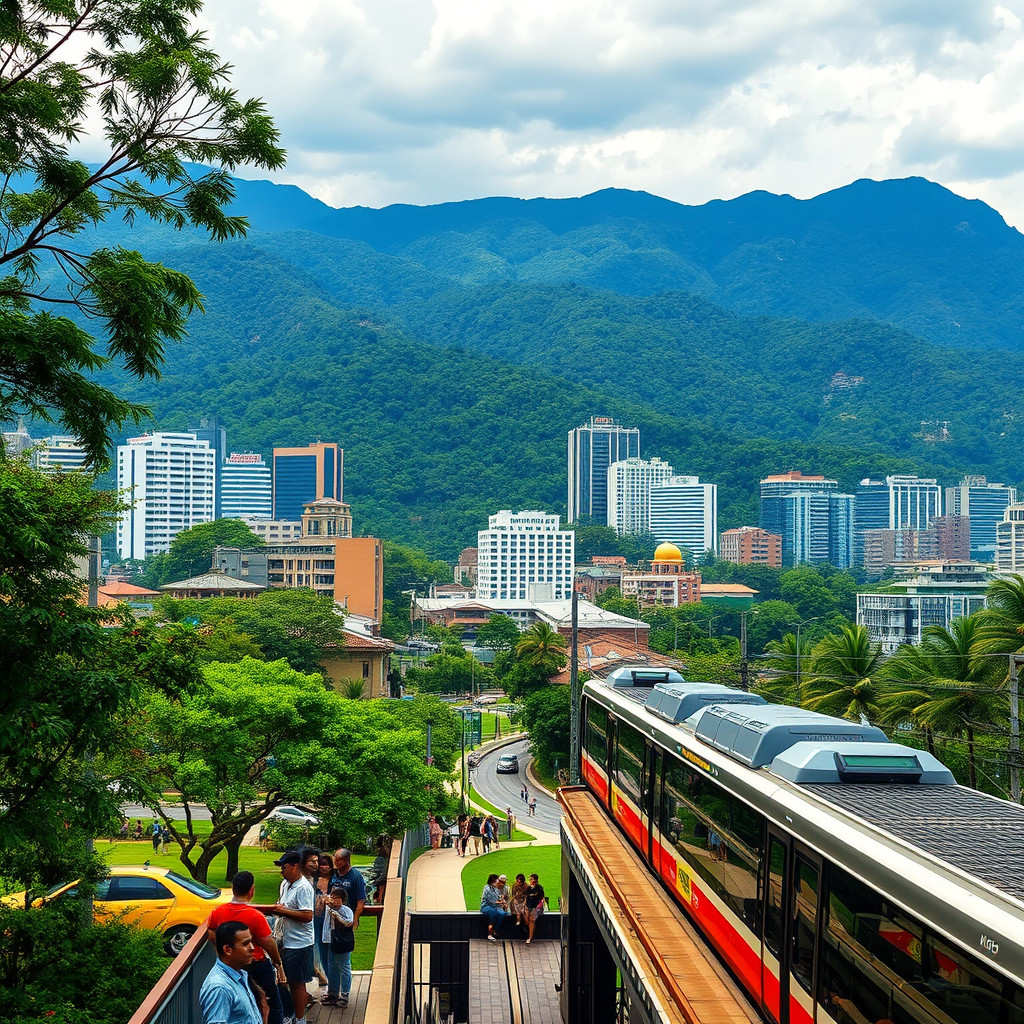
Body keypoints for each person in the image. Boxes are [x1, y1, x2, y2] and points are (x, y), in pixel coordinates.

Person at [208, 871, 286, 1024]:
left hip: (232, 963)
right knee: (273, 1004)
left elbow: (210, 931)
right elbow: (267, 942)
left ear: (232, 888)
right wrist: (277, 962)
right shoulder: (255, 916)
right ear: (251, 890)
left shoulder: (218, 912)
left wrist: (221, 949)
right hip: (256, 964)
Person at [272, 851, 315, 1024]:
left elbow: (307, 915)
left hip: (300, 944)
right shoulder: (285, 884)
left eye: (284, 867)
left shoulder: (303, 887)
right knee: (284, 980)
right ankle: (290, 1014)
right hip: (285, 941)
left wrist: (282, 911)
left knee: (297, 984)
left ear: (295, 866)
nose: (281, 871)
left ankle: (300, 1018)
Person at [199, 920, 262, 1024]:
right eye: (245, 944)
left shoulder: (239, 974)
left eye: (251, 942)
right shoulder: (219, 987)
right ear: (227, 949)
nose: (252, 948)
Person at [327, 848, 366, 1008]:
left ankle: (345, 995)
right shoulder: (334, 876)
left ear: (346, 860)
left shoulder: (355, 877)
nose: (335, 863)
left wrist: (354, 921)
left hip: (346, 925)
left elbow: (360, 901)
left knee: (344, 963)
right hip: (332, 925)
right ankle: (333, 993)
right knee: (332, 962)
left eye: (338, 860)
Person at [300, 849, 329, 989]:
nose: (316, 864)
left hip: (314, 919)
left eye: (317, 861)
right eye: (312, 861)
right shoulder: (300, 880)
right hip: (302, 922)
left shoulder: (314, 879)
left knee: (316, 946)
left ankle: (318, 971)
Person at [322, 885, 354, 1007]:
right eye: (333, 897)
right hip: (331, 941)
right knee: (332, 967)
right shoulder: (326, 908)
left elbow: (349, 922)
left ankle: (344, 995)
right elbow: (319, 903)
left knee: (344, 967)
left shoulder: (346, 910)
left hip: (343, 942)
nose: (334, 901)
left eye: (337, 898)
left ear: (343, 899)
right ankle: (333, 994)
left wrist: (337, 916)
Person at [480, 873, 509, 943]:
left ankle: (495, 930)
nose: (498, 882)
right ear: (493, 882)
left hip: (496, 906)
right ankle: (490, 931)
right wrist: (501, 902)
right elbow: (491, 901)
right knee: (493, 912)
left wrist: (502, 901)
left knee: (502, 913)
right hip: (486, 906)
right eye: (497, 881)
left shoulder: (496, 889)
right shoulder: (487, 889)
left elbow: (499, 897)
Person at [524, 873, 545, 945]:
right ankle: (528, 932)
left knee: (531, 920)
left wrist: (536, 908)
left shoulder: (539, 888)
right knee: (527, 920)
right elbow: (527, 897)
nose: (530, 880)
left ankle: (530, 937)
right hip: (529, 906)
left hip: (536, 907)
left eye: (531, 879)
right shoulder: (529, 888)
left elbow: (541, 898)